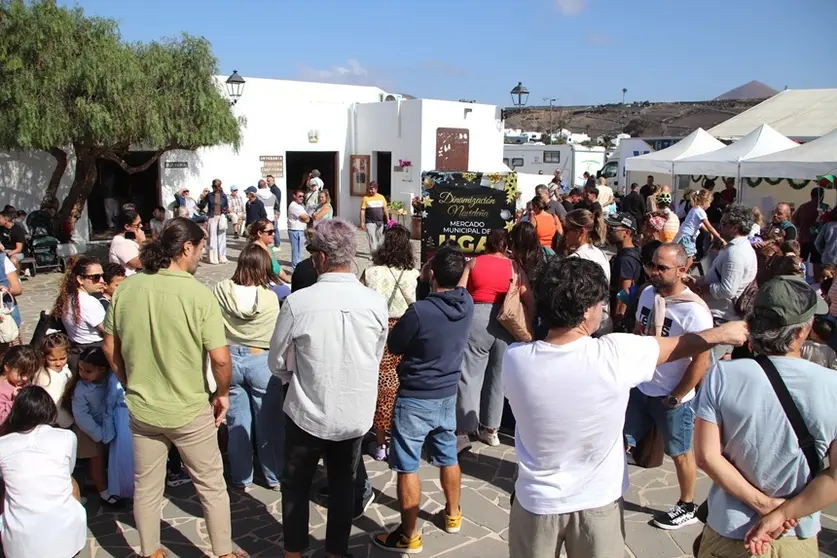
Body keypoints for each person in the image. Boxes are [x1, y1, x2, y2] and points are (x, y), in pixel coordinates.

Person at [503, 257, 746, 558]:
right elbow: (680, 345)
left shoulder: (515, 359)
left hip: (534, 503)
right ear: (586, 311)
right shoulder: (616, 354)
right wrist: (724, 334)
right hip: (598, 505)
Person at [102, 217, 245, 558]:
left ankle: (150, 550)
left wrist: (127, 381)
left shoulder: (126, 289)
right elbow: (221, 359)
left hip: (143, 408)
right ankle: (223, 552)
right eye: (200, 248)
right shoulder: (197, 295)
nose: (201, 254)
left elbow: (109, 347)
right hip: (189, 409)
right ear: (186, 248)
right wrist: (222, 393)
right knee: (211, 486)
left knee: (147, 487)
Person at [268, 218, 387, 558]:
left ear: (320, 258)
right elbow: (375, 354)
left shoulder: (299, 302)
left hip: (307, 410)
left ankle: (294, 552)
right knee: (342, 485)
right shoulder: (375, 303)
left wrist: (294, 377)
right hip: (353, 413)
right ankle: (335, 552)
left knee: (295, 486)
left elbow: (276, 360)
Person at [695, 276, 836, 558]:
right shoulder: (832, 385)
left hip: (729, 529)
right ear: (801, 332)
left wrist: (763, 504)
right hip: (793, 534)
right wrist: (781, 513)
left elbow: (706, 457)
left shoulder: (722, 375)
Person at [372, 245, 474, 553]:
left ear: (431, 274)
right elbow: (463, 278)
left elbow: (396, 342)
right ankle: (453, 515)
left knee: (408, 466)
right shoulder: (467, 303)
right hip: (446, 394)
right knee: (448, 455)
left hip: (416, 396)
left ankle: (409, 534)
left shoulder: (421, 311)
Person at [625, 243, 713, 530]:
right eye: (653, 265)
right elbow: (640, 331)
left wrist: (676, 396)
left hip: (671, 395)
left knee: (680, 452)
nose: (654, 272)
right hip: (641, 385)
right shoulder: (648, 293)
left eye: (662, 268)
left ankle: (687, 505)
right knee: (620, 441)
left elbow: (701, 361)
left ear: (682, 270)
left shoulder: (695, 312)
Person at [456, 230, 534, 452]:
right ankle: (491, 430)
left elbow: (461, 291)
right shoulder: (514, 267)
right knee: (499, 377)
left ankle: (463, 432)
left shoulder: (473, 263)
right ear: (505, 246)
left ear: (487, 244)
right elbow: (528, 296)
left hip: (477, 317)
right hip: (506, 320)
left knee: (469, 374)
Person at [214, 244, 283, 491]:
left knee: (237, 423)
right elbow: (276, 332)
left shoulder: (221, 289)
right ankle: (274, 476)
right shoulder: (269, 297)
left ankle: (242, 478)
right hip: (260, 358)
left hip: (229, 357)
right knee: (269, 424)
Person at [0, 385, 87, 558]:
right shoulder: (66, 437)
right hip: (67, 540)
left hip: (18, 545)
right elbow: (67, 472)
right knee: (70, 480)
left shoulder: (3, 444)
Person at [359, 225, 420, 460]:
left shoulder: (371, 272)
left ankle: (380, 441)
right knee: (404, 384)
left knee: (384, 386)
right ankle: (401, 436)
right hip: (407, 330)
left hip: (379, 331)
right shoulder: (413, 275)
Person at [694, 204, 757, 359]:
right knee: (722, 364)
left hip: (721, 318)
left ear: (735, 227)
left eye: (723, 224)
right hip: (724, 317)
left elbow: (728, 290)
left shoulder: (736, 253)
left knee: (705, 365)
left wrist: (703, 286)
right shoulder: (737, 248)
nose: (719, 227)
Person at [68, 346, 128, 505]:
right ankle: (105, 494)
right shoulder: (81, 389)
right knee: (97, 460)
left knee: (106, 458)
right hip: (88, 431)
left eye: (88, 371)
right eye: (80, 369)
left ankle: (101, 483)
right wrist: (98, 434)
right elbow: (81, 415)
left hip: (104, 426)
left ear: (102, 369)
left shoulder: (109, 380)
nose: (82, 374)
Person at [560, 209, 612, 332]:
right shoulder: (599, 253)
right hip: (601, 320)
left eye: (567, 230)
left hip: (583, 326)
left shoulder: (576, 260)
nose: (564, 234)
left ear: (581, 232)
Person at [52, 256, 106, 352]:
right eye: (96, 277)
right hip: (95, 351)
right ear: (80, 279)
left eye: (102, 276)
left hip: (77, 348)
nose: (102, 281)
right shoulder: (89, 302)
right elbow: (108, 331)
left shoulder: (68, 297)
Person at [605, 213, 642, 332]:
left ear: (627, 233)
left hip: (624, 318)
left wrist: (617, 321)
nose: (609, 232)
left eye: (613, 229)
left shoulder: (625, 260)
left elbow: (624, 292)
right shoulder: (635, 251)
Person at [674, 190, 725, 269]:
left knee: (684, 257)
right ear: (704, 201)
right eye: (709, 203)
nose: (709, 205)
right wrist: (720, 238)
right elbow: (709, 227)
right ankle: (682, 273)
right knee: (689, 259)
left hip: (684, 235)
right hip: (687, 236)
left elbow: (701, 225)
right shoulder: (700, 212)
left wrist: (710, 233)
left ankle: (680, 270)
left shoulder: (694, 209)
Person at [35, 332, 74, 428]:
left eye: (62, 358)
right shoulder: (48, 380)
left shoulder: (62, 369)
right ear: (44, 357)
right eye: (53, 360)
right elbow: (55, 408)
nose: (58, 363)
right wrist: (68, 423)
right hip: (56, 422)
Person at [0, 345, 41, 426]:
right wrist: (16, 401)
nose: (25, 378)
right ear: (7, 367)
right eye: (21, 373)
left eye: (29, 374)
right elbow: (1, 420)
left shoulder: (24, 382)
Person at [248, 219, 293, 287]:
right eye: (270, 232)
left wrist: (289, 282)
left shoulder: (268, 249)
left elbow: (278, 270)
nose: (274, 234)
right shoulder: (254, 252)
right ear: (260, 233)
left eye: (274, 231)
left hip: (272, 284)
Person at [199, 178, 229, 264]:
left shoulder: (223, 196)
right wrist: (202, 199)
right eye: (215, 186)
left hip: (221, 217)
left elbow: (226, 206)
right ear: (213, 186)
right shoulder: (209, 195)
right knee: (212, 238)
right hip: (212, 217)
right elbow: (202, 205)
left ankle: (222, 257)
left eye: (219, 185)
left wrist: (224, 211)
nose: (217, 187)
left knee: (222, 238)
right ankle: (212, 258)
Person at [108, 209, 143, 276]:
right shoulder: (121, 242)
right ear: (127, 226)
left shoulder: (127, 240)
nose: (141, 226)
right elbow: (139, 263)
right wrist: (141, 242)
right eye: (137, 225)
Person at [360, 181, 390, 254]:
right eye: (369, 189)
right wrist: (362, 222)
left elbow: (385, 209)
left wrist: (388, 219)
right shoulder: (365, 198)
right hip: (370, 222)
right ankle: (373, 254)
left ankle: (379, 253)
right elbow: (362, 211)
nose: (370, 190)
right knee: (372, 238)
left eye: (372, 189)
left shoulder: (381, 197)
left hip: (380, 222)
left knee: (379, 238)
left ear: (376, 189)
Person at [287, 189, 311, 269]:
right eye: (299, 196)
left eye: (303, 196)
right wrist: (307, 218)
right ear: (294, 196)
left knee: (299, 252)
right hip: (295, 231)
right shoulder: (294, 206)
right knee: (296, 252)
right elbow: (306, 218)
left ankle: (297, 267)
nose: (301, 198)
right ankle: (296, 268)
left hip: (299, 230)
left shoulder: (300, 205)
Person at [266, 175, 283, 248]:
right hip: (273, 211)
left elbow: (276, 202)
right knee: (273, 227)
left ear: (273, 181)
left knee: (275, 227)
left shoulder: (275, 190)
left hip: (275, 211)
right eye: (267, 181)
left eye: (269, 181)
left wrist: (276, 213)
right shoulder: (272, 189)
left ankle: (277, 244)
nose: (267, 182)